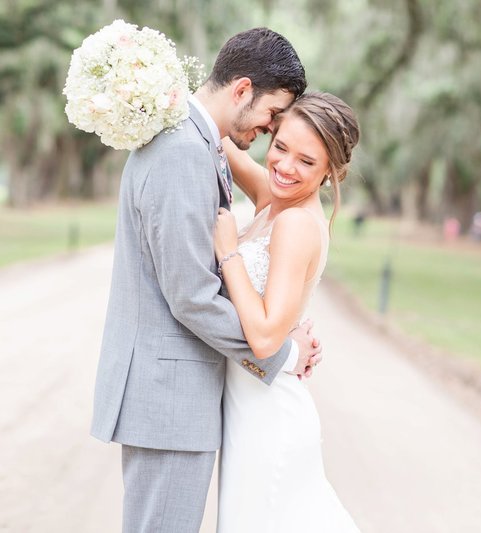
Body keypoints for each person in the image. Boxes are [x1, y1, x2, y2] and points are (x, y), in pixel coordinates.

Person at [90, 28, 323, 532]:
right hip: (168, 398)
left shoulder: (199, 141)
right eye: (271, 113)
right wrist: (282, 353)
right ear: (242, 90)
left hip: (177, 398)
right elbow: (192, 297)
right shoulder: (181, 152)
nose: (269, 128)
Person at [213, 91, 361, 532]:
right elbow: (213, 134)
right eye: (280, 147)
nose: (284, 167)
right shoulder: (275, 200)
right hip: (247, 410)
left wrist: (228, 253)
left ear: (330, 171)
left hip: (268, 419)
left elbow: (263, 339)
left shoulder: (296, 223)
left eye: (306, 161)